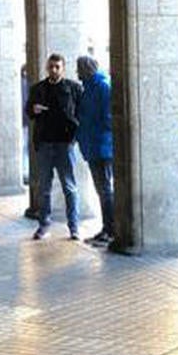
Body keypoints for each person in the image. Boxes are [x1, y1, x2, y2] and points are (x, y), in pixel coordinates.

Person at [27, 53, 83, 240]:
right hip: (44, 143)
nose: (54, 70)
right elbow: (29, 111)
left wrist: (74, 137)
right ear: (46, 68)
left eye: (57, 66)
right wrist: (33, 110)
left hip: (64, 144)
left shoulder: (73, 88)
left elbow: (80, 114)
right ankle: (44, 225)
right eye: (51, 66)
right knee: (44, 187)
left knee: (69, 186)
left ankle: (74, 226)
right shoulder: (38, 89)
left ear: (63, 68)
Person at [74, 56, 114, 244]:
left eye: (79, 69)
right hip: (92, 145)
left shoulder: (102, 87)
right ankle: (107, 228)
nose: (77, 73)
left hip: (102, 146)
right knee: (102, 189)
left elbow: (107, 117)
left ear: (87, 69)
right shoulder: (89, 87)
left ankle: (110, 229)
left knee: (105, 189)